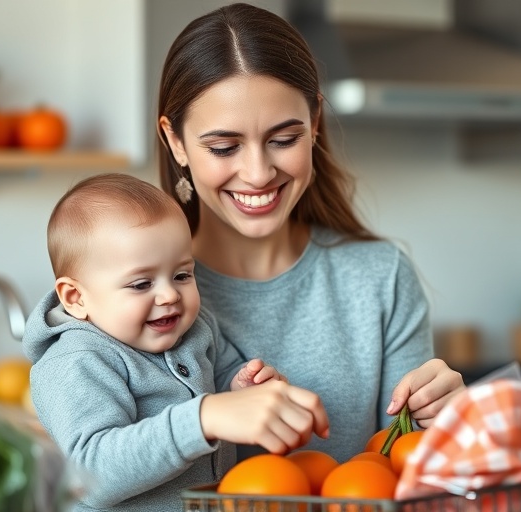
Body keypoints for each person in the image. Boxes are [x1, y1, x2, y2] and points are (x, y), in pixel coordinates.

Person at [157, 2, 466, 464]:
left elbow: (405, 469)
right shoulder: (136, 291)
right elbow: (93, 470)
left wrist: (441, 422)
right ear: (176, 141)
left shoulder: (379, 277)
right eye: (224, 146)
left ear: (315, 123)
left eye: (284, 140)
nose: (258, 173)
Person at [23, 173, 329, 511]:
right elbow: (88, 476)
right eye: (141, 284)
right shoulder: (75, 360)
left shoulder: (197, 329)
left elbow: (223, 393)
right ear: (76, 297)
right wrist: (203, 418)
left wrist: (242, 389)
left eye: (182, 275)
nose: (169, 295)